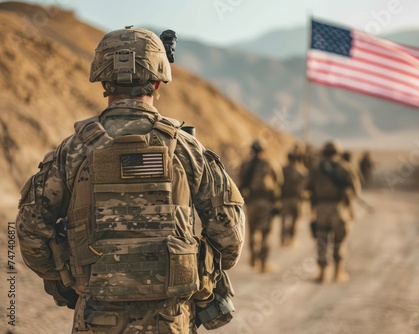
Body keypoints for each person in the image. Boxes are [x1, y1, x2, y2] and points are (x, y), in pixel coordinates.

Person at [16, 26, 245, 333]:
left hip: (96, 317)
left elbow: (31, 233)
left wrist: (69, 279)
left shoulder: (72, 151)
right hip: (171, 319)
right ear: (159, 79)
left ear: (103, 77)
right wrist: (197, 273)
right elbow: (229, 239)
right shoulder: (188, 149)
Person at [308, 141, 360, 284]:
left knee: (322, 241)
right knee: (339, 241)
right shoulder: (346, 168)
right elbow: (355, 189)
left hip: (321, 209)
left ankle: (322, 274)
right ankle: (338, 273)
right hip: (339, 209)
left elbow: (307, 186)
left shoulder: (317, 168)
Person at [239, 139, 283, 273]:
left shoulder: (246, 164)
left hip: (251, 203)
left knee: (252, 231)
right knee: (265, 233)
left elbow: (240, 182)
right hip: (266, 202)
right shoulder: (269, 163)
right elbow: (279, 180)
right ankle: (263, 264)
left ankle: (253, 260)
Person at [280, 151, 309, 247]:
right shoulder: (302, 170)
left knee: (284, 219)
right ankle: (292, 239)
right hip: (297, 200)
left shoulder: (283, 170)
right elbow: (306, 185)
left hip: (285, 199)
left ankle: (283, 239)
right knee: (295, 220)